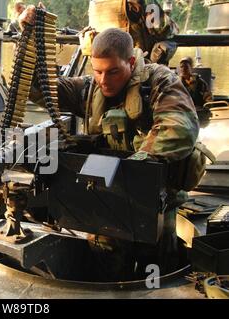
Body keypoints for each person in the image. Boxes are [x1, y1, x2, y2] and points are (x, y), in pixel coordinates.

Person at [21, 5, 200, 279]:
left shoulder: (159, 81)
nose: (104, 80)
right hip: (106, 202)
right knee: (105, 273)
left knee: (156, 274)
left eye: (113, 72)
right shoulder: (91, 87)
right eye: (98, 71)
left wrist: (130, 168)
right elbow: (39, 88)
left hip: (153, 202)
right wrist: (27, 34)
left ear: (130, 63)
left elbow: (180, 130)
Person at [125, 0, 179, 65]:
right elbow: (164, 30)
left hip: (117, 62)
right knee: (169, 43)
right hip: (143, 64)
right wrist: (175, 27)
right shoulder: (147, 3)